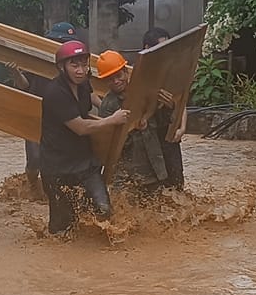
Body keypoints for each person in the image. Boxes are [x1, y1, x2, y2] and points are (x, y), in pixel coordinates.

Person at [40, 39, 129, 234]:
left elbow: (92, 98)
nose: (80, 70)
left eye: (84, 64)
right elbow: (80, 127)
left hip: (85, 162)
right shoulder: (55, 93)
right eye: (74, 65)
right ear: (61, 67)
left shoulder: (83, 83)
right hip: (58, 168)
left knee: (103, 210)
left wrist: (108, 108)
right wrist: (111, 120)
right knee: (63, 228)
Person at [94, 50, 178, 192]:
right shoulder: (108, 106)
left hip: (154, 167)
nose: (116, 81)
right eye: (110, 79)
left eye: (119, 75)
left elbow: (163, 124)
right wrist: (132, 127)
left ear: (126, 72)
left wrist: (169, 106)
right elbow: (110, 144)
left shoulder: (145, 92)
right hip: (127, 175)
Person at [21, 20, 78, 197]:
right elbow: (24, 86)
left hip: (63, 119)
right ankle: (31, 184)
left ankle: (54, 192)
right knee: (34, 160)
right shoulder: (36, 60)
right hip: (35, 115)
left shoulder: (74, 67)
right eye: (58, 42)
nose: (61, 47)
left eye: (65, 43)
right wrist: (15, 73)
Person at [139, 27, 188, 190]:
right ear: (147, 49)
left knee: (176, 185)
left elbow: (181, 100)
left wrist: (182, 127)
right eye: (162, 48)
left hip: (168, 134)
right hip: (146, 139)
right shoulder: (136, 72)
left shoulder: (172, 71)